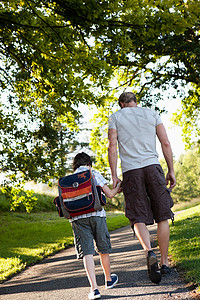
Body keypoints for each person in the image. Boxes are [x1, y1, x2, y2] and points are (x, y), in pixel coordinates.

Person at [108, 92, 176, 284]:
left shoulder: (115, 117)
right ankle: (164, 264)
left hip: (131, 171)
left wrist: (114, 175)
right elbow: (165, 143)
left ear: (121, 104)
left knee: (137, 215)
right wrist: (171, 170)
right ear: (135, 102)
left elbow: (112, 146)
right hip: (152, 167)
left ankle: (149, 251)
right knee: (163, 214)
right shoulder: (152, 114)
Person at [70, 152, 121, 300]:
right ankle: (108, 279)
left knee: (87, 252)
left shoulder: (69, 179)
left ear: (75, 165)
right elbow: (110, 194)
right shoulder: (93, 174)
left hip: (77, 219)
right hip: (97, 215)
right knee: (103, 248)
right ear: (89, 164)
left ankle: (94, 289)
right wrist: (119, 187)